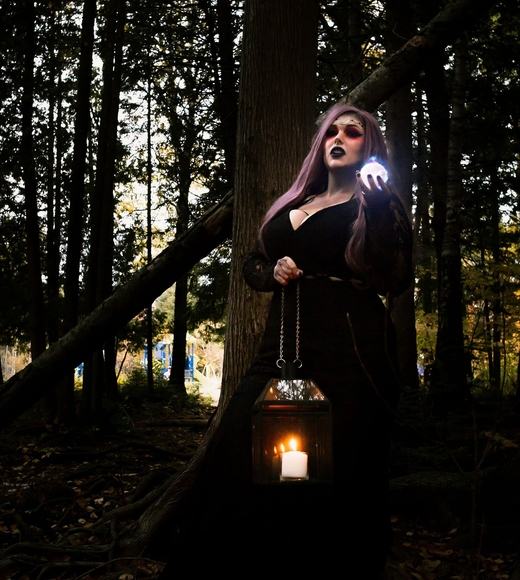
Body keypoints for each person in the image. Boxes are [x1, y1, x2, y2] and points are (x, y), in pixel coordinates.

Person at [158, 104, 412, 579]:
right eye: (331, 131)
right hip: (280, 351)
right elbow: (252, 262)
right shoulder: (296, 200)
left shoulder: (377, 204)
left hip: (352, 354)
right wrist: (272, 270)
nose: (338, 138)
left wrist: (378, 211)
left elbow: (394, 278)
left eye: (352, 132)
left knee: (338, 475)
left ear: (370, 147)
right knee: (238, 457)